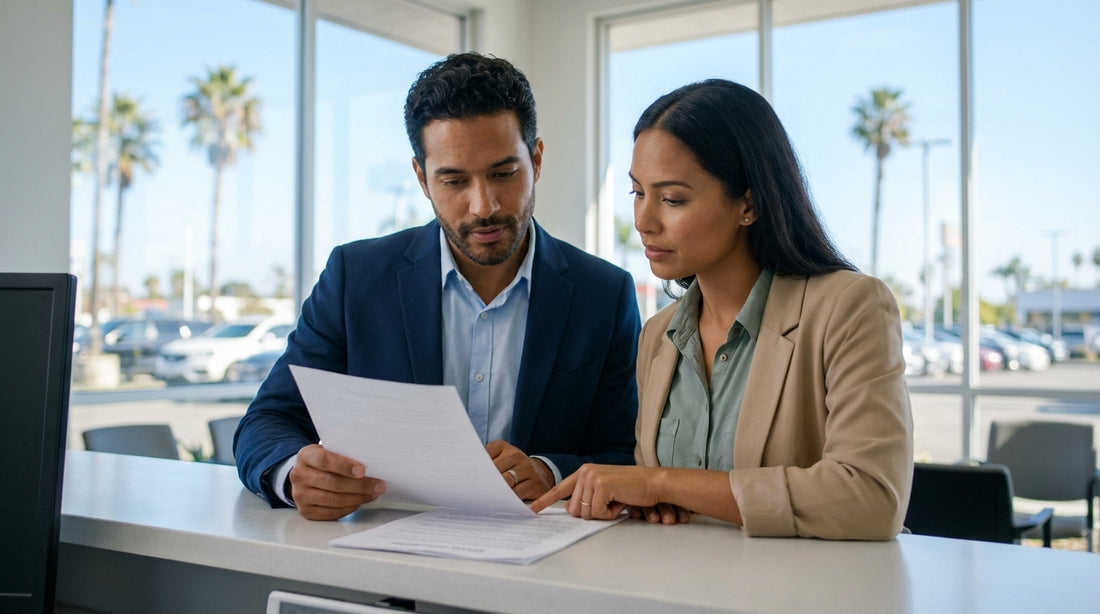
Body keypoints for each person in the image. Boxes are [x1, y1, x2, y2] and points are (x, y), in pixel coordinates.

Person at [235, 53, 640, 521]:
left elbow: (627, 450)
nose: (483, 206)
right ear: (421, 178)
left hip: (545, 565)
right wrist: (292, 473)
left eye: (503, 174)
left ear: (537, 159)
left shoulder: (603, 294)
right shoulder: (356, 277)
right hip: (385, 559)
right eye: (453, 180)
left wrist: (549, 471)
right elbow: (266, 422)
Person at [531, 79, 913, 540]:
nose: (644, 222)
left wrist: (661, 482)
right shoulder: (658, 336)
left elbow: (871, 497)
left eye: (672, 199)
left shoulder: (849, 308)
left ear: (748, 203)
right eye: (638, 193)